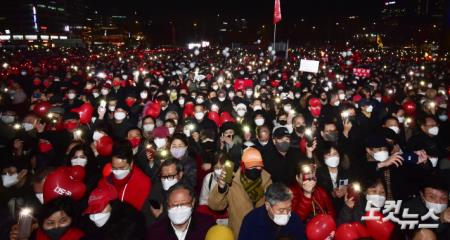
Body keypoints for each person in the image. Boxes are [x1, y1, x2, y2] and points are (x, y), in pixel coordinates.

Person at [208, 147, 272, 237]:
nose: (256, 169)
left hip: (261, 232)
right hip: (239, 232)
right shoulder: (231, 181)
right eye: (251, 166)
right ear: (243, 166)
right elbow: (215, 206)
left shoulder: (266, 180)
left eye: (258, 166)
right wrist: (221, 188)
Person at [145, 182, 215, 240]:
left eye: (183, 204)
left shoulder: (207, 225)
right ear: (167, 204)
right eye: (174, 205)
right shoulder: (155, 232)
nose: (179, 209)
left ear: (193, 202)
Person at [98, 139, 152, 214]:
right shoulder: (106, 180)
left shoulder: (143, 182)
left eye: (122, 168)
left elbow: (136, 212)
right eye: (114, 168)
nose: (117, 172)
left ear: (131, 164)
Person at [238, 183, 306, 240]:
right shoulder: (251, 221)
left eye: (289, 208)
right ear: (268, 206)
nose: (286, 214)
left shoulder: (294, 219)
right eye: (281, 210)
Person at [9, 197, 85, 240]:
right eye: (50, 223)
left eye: (63, 221)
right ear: (42, 223)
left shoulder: (80, 237)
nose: (56, 226)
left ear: (71, 219)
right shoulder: (35, 235)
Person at [402, 175, 450, 239]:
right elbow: (421, 233)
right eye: (432, 197)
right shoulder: (409, 207)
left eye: (443, 198)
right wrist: (441, 220)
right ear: (422, 195)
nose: (438, 202)